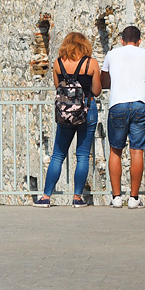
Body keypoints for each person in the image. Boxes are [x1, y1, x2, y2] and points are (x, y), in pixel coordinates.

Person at [101, 25, 145, 209]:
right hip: (140, 103)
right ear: (139, 41)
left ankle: (116, 197)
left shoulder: (112, 54)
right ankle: (133, 198)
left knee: (115, 150)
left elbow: (104, 81)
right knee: (137, 151)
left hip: (118, 103)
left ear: (121, 41)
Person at [34, 32, 102, 208]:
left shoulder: (58, 64)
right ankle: (77, 198)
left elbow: (58, 87)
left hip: (65, 113)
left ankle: (46, 197)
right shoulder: (91, 63)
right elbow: (96, 90)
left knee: (58, 155)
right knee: (82, 155)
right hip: (87, 110)